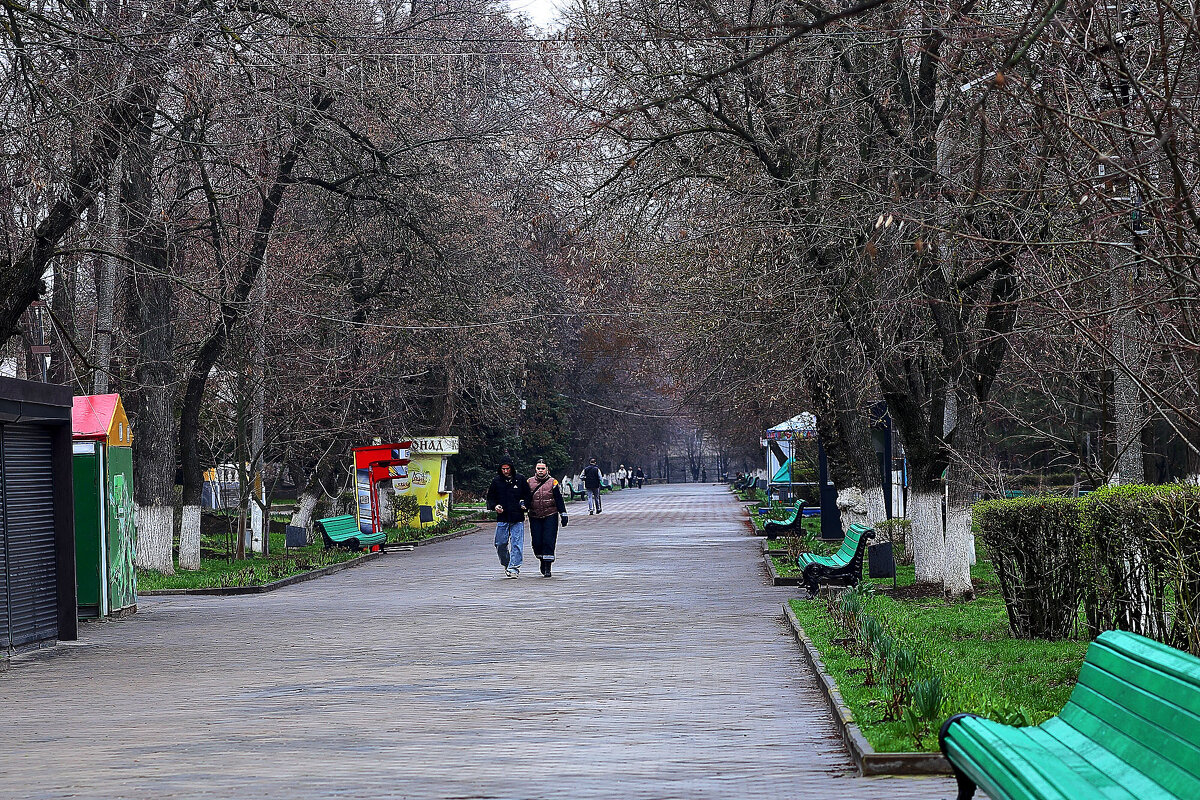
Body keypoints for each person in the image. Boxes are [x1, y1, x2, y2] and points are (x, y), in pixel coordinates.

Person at [485, 455, 533, 578]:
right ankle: (507, 563)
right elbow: (490, 498)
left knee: (517, 543)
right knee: (500, 543)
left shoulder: (520, 479)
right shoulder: (496, 481)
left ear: (512, 468)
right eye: (503, 469)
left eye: (507, 468)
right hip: (503, 517)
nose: (506, 471)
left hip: (517, 517)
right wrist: (495, 506)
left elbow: (528, 495)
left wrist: (525, 505)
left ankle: (514, 568)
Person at [527, 460, 568, 577]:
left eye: (542, 468)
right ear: (535, 469)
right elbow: (525, 497)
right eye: (538, 468)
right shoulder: (529, 482)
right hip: (534, 516)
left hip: (551, 515)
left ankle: (548, 566)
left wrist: (563, 513)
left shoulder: (552, 482)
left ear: (547, 469)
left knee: (549, 540)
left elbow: (558, 499)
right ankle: (542, 560)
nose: (540, 471)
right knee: (537, 541)